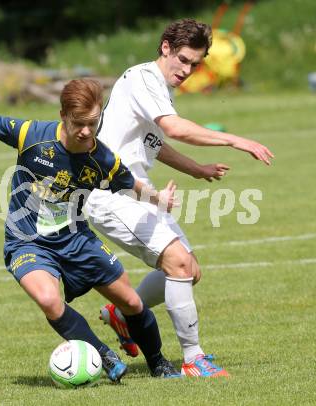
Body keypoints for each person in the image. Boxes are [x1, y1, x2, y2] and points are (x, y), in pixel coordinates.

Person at [0, 78, 184, 381]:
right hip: (26, 241)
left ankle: (158, 362)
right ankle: (103, 356)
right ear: (63, 116)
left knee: (132, 302)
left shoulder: (101, 158)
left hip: (76, 239)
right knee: (48, 300)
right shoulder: (31, 135)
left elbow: (129, 183)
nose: (87, 131)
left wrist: (158, 198)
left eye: (93, 122)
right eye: (79, 123)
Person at [86, 19, 274, 377]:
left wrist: (196, 169)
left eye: (196, 64)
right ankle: (193, 359)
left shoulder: (157, 86)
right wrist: (236, 140)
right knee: (179, 264)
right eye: (183, 60)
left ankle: (124, 312)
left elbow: (154, 143)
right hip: (109, 192)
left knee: (190, 270)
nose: (187, 70)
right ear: (165, 47)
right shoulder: (143, 78)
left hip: (136, 189)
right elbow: (172, 127)